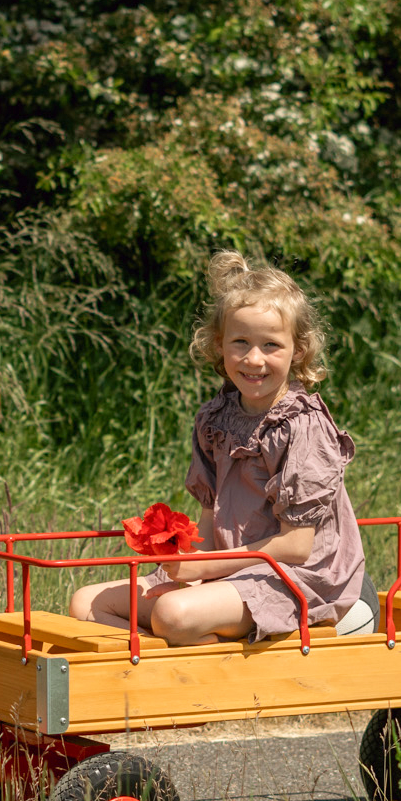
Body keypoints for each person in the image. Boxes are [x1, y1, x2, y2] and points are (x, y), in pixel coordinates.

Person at [69, 251, 372, 646]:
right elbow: (210, 520)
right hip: (230, 570)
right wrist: (193, 568)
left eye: (271, 345)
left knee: (171, 613)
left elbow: (296, 546)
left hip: (296, 578)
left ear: (298, 350)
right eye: (240, 342)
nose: (253, 359)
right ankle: (174, 670)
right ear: (219, 344)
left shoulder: (302, 425)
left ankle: (198, 665)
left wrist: (205, 568)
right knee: (86, 604)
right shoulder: (215, 419)